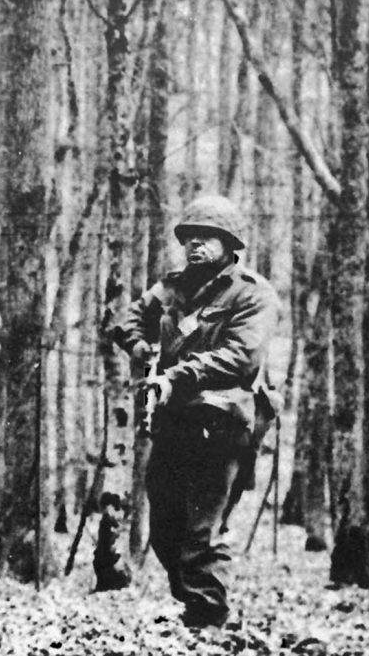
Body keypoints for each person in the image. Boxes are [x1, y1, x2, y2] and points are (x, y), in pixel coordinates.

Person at [114, 195, 280, 629]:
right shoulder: (172, 287)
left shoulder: (252, 294)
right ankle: (195, 604)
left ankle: (209, 619)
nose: (196, 245)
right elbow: (126, 319)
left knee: (201, 529)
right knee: (165, 526)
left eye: (207, 237)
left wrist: (178, 375)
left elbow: (240, 357)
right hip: (173, 423)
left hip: (225, 422)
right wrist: (140, 345)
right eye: (189, 237)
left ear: (229, 244)